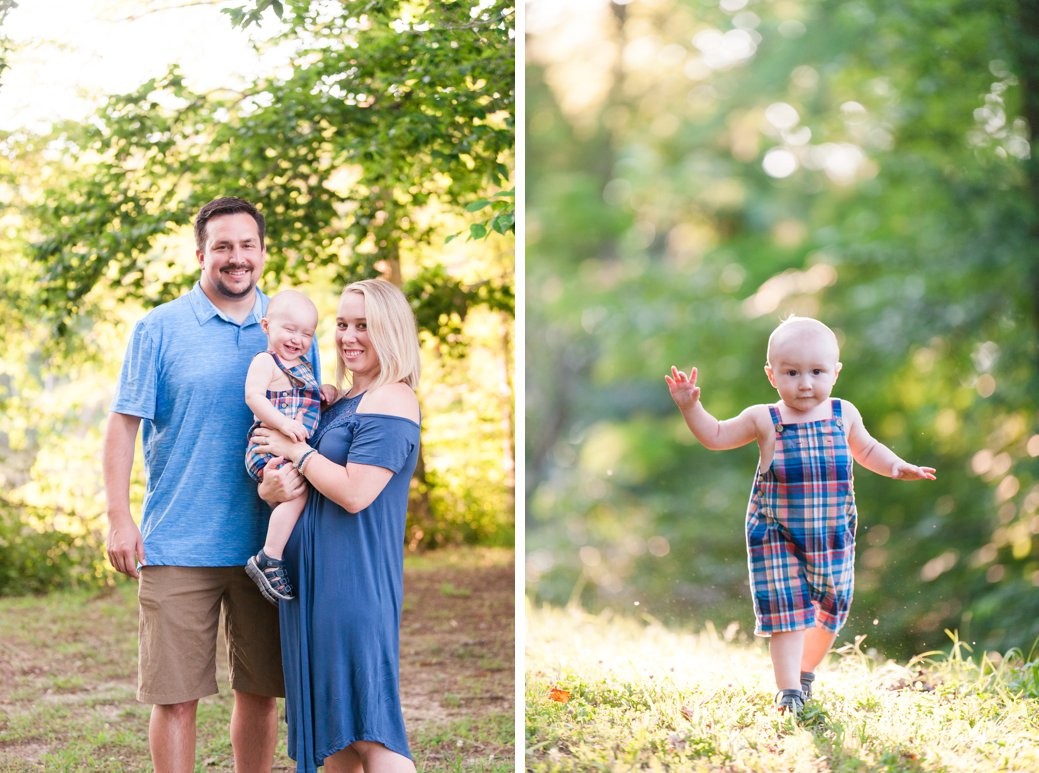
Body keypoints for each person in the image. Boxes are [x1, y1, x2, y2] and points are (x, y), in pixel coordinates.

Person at [103, 196, 320, 770]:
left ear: (263, 252)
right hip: (178, 542)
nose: (236, 257)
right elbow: (123, 425)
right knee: (174, 699)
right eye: (222, 246)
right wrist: (119, 518)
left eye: (247, 245)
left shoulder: (293, 328)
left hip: (266, 548)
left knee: (262, 694)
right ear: (201, 253)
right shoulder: (159, 328)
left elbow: (311, 429)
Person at [665, 315, 936, 716]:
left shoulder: (843, 414)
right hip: (776, 534)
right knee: (787, 613)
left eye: (816, 371)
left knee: (830, 612)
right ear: (772, 375)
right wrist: (691, 407)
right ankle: (788, 690)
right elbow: (717, 436)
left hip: (832, 537)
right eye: (791, 372)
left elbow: (869, 449)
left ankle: (805, 673)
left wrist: (896, 466)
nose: (805, 383)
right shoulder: (764, 418)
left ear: (835, 373)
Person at [251, 277, 421, 772]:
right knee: (337, 738)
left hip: (354, 586)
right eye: (343, 323)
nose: (348, 336)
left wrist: (296, 450)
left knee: (370, 730)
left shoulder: (392, 399)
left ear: (389, 331)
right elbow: (295, 479)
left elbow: (353, 493)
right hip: (314, 587)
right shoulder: (342, 399)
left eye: (363, 325)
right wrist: (273, 482)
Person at [243, 289, 337, 604]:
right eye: (289, 329)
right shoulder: (265, 362)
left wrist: (323, 392)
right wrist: (282, 426)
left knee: (307, 495)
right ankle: (269, 556)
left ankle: (286, 555)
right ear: (267, 326)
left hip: (289, 447)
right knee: (300, 495)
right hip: (268, 445)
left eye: (306, 333)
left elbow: (306, 405)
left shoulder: (303, 367)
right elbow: (254, 397)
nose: (297, 339)